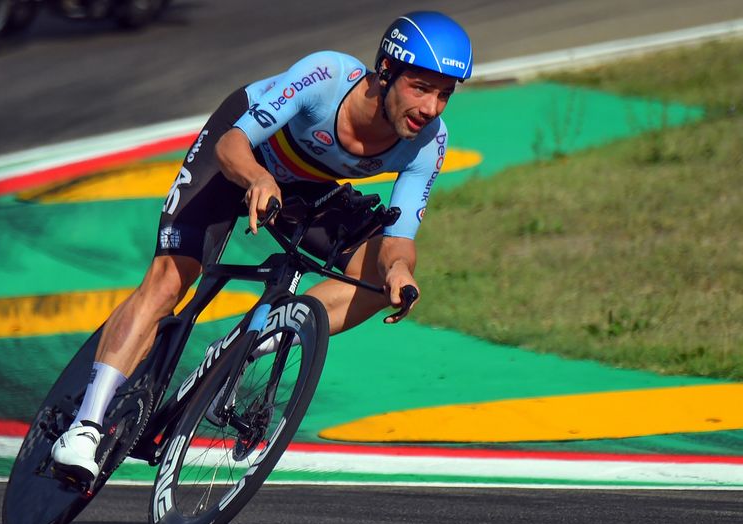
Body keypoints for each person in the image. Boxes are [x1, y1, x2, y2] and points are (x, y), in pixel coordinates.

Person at [51, 10, 473, 482]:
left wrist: (398, 270)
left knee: (376, 280)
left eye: (444, 94)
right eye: (421, 88)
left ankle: (254, 342)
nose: (432, 107)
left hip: (306, 186)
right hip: (241, 156)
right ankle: (83, 428)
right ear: (386, 72)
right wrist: (256, 178)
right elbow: (234, 144)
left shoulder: (428, 142)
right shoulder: (327, 77)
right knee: (171, 278)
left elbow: (400, 239)